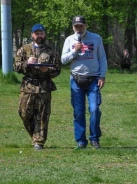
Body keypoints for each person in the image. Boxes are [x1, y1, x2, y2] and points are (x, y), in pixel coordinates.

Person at [61, 15, 108, 150]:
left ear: (86, 26)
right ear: (73, 27)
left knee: (94, 110)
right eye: (76, 26)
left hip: (93, 79)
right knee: (78, 112)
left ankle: (94, 138)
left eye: (81, 25)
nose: (79, 28)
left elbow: (102, 59)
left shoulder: (96, 38)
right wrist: (74, 50)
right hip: (76, 80)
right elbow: (63, 60)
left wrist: (102, 76)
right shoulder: (69, 40)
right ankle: (81, 140)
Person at [13, 24, 61, 150]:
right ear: (32, 35)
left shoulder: (50, 51)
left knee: (43, 115)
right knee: (24, 112)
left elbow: (57, 69)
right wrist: (27, 64)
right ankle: (34, 135)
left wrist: (47, 70)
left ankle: (38, 142)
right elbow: (16, 66)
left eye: (42, 33)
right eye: (37, 33)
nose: (40, 36)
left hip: (44, 86)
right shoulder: (24, 49)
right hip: (28, 86)